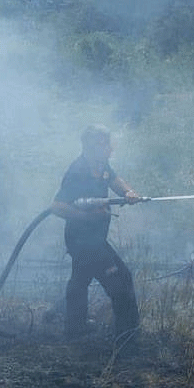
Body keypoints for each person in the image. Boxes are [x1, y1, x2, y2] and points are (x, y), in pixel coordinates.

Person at [50, 124, 144, 342]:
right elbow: (56, 206)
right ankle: (127, 342)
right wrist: (88, 216)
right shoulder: (77, 172)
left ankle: (74, 328)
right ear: (91, 147)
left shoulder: (101, 165)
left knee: (79, 279)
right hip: (83, 242)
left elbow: (114, 179)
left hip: (94, 238)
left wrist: (128, 193)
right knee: (121, 281)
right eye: (105, 144)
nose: (110, 148)